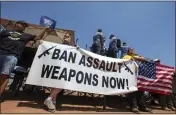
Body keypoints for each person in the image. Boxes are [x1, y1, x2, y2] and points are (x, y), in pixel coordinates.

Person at [0, 20, 51, 97]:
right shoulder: (5, 32)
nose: (23, 26)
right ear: (16, 24)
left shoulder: (26, 35)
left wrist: (44, 29)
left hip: (12, 56)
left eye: (24, 26)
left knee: (4, 76)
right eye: (22, 24)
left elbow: (38, 37)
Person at [43, 37, 72, 112]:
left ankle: (49, 99)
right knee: (54, 85)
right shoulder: (57, 45)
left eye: (68, 37)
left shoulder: (72, 48)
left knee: (62, 84)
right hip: (56, 66)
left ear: (70, 39)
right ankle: (53, 103)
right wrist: (42, 43)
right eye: (65, 37)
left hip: (65, 68)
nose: (66, 38)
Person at [123, 48, 152, 112]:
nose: (132, 50)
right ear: (128, 51)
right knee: (132, 92)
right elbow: (127, 60)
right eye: (130, 49)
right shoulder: (126, 56)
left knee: (141, 92)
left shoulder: (136, 56)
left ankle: (142, 107)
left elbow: (145, 59)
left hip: (139, 76)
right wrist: (135, 58)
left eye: (133, 49)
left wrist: (136, 57)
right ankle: (134, 107)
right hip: (131, 76)